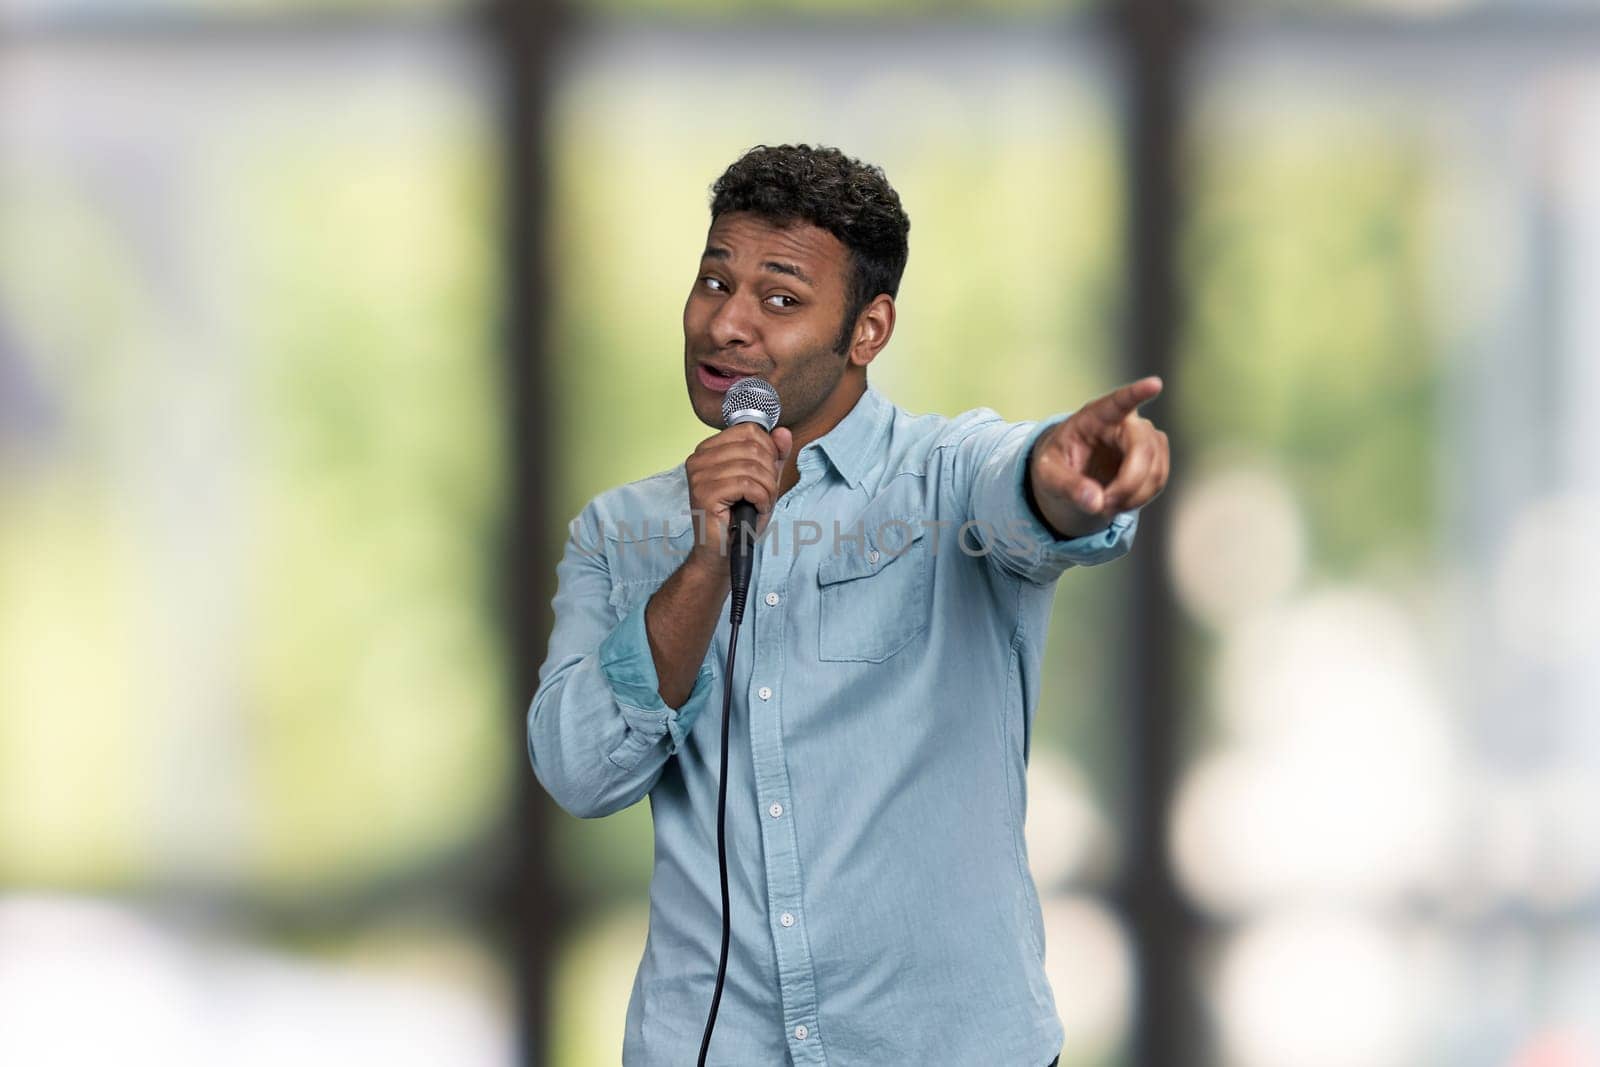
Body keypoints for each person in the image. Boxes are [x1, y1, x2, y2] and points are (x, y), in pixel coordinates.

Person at [528, 144, 1170, 1066]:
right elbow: (579, 770)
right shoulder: (618, 531)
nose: (728, 327)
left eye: (780, 299)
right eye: (714, 281)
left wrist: (1073, 478)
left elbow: (1027, 490)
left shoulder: (942, 476)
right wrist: (707, 556)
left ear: (869, 330)